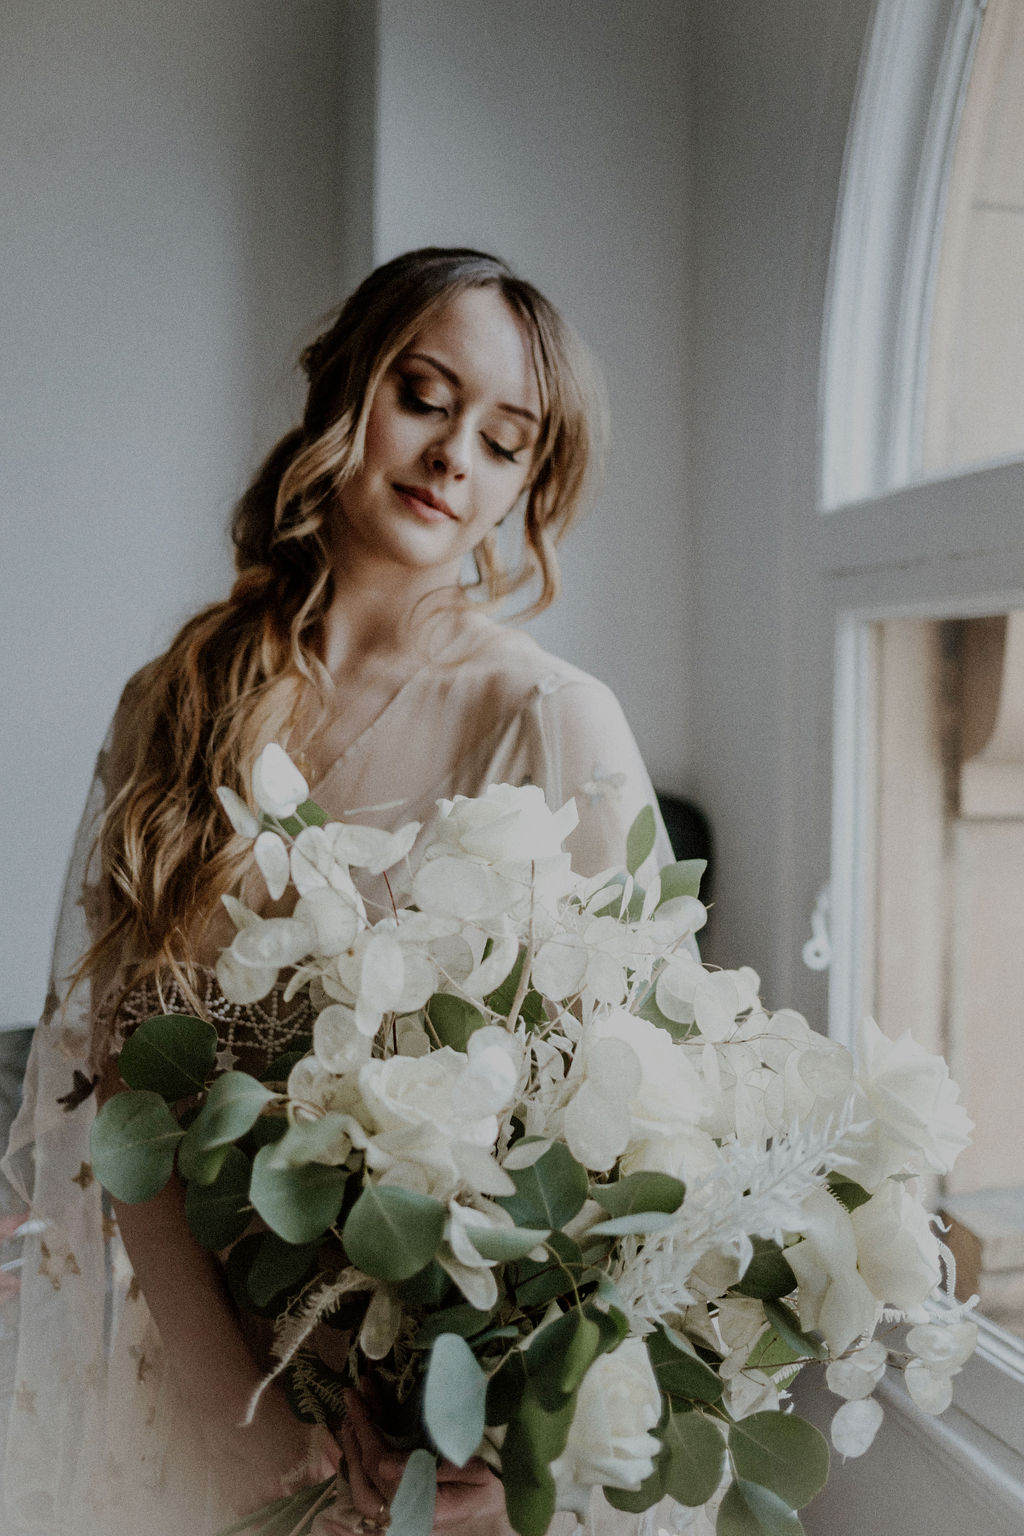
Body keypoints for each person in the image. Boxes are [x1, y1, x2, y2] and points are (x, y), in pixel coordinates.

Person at [1, 248, 673, 1536]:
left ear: (525, 488)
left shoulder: (549, 722)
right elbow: (125, 1080)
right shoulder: (175, 699)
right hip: (198, 1389)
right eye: (424, 396)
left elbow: (632, 1138)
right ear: (344, 395)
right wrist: (225, 1407)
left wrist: (497, 1422)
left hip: (434, 1426)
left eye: (505, 441)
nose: (452, 455)